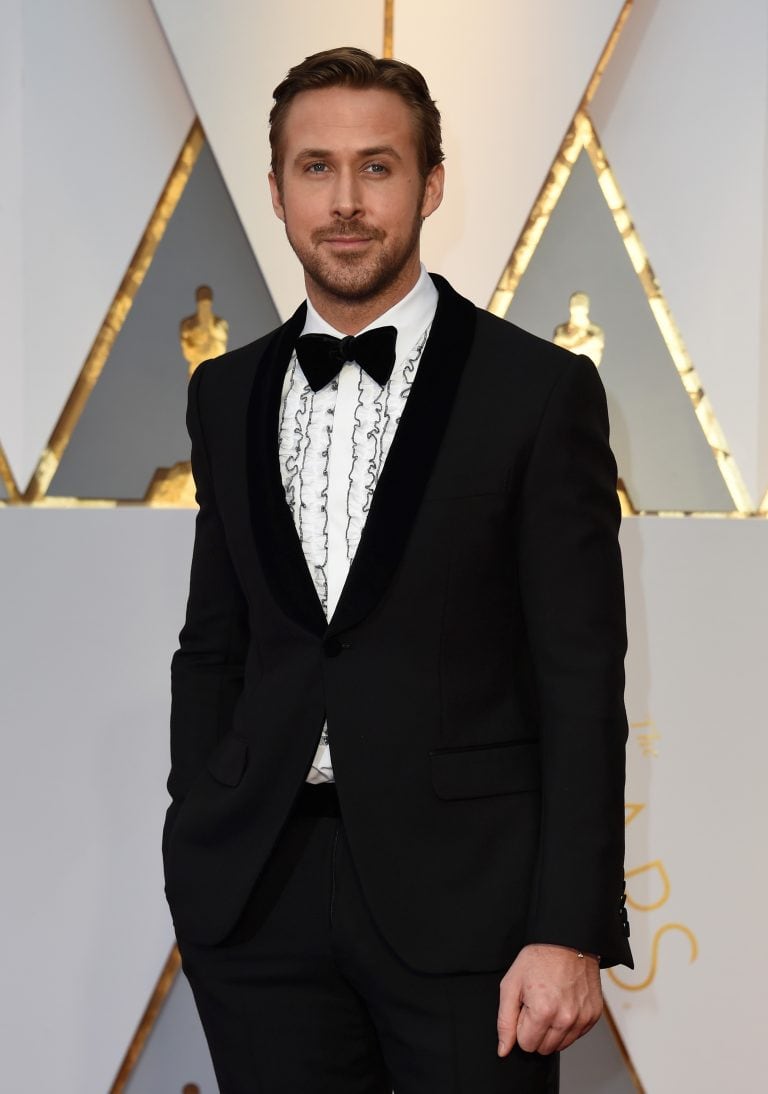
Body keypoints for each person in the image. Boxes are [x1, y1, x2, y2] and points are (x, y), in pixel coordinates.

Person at [162, 46, 632, 1094]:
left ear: (431, 185)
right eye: (315, 167)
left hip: (474, 908)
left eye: (377, 167)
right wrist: (200, 828)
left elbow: (580, 681)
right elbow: (215, 640)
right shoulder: (226, 394)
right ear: (278, 189)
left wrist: (569, 927)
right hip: (259, 898)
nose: (344, 200)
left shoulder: (538, 392)